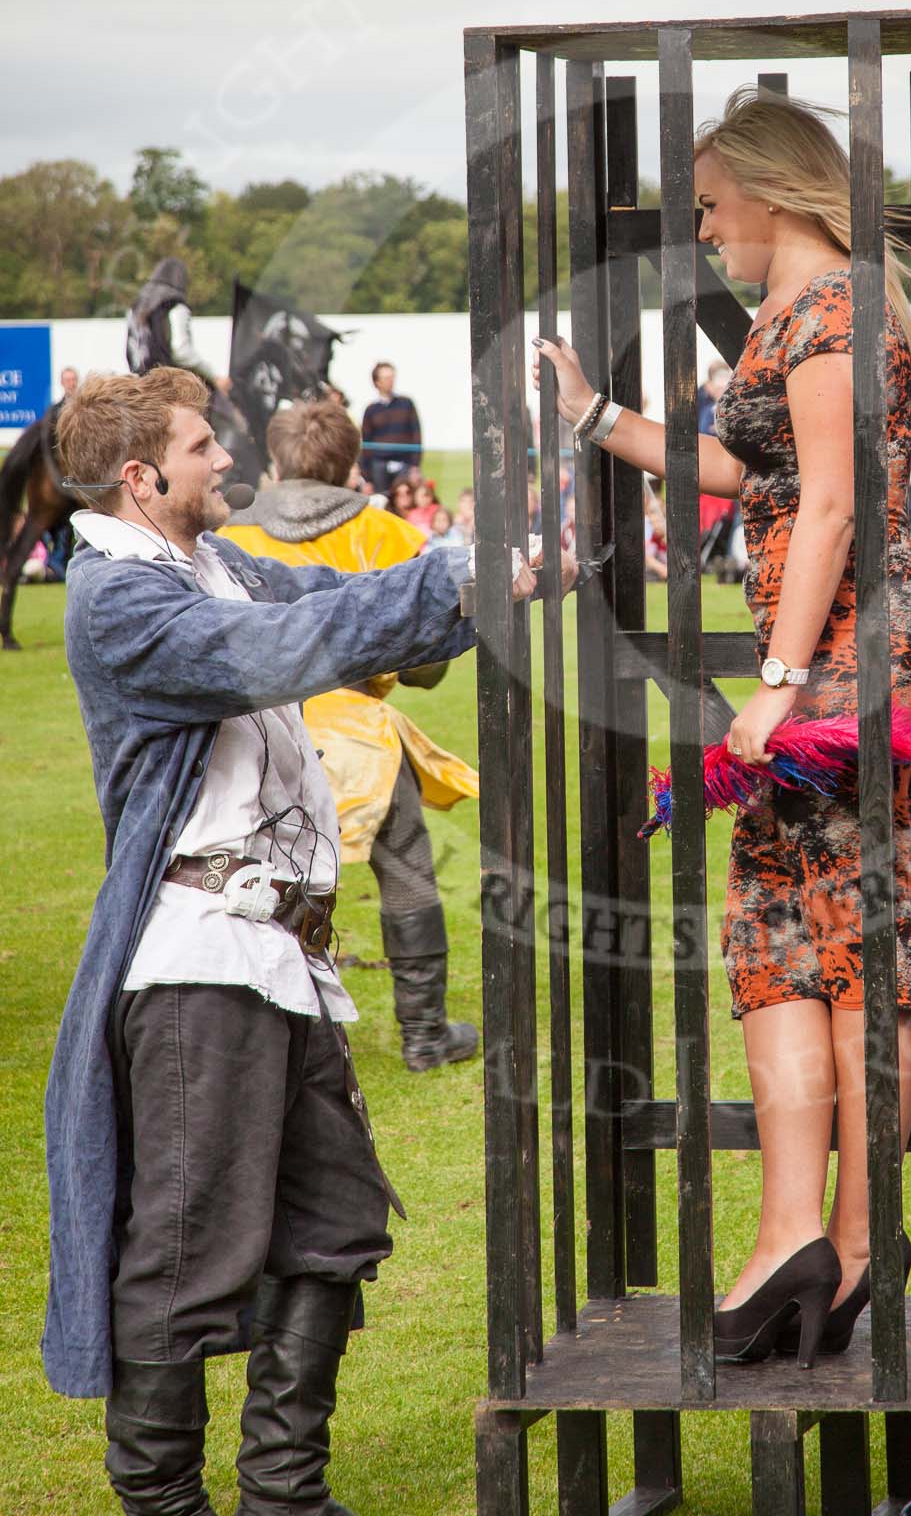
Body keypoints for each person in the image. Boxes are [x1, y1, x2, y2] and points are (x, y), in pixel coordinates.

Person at [44, 368, 545, 1514]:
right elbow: (292, 645)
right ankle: (163, 1502)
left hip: (285, 960)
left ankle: (284, 1493)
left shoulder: (212, 563)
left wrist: (495, 573)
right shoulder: (119, 598)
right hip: (201, 964)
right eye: (202, 443)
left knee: (332, 1226)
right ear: (142, 475)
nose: (226, 459)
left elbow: (349, 604)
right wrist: (457, 570)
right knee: (185, 1256)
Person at [533, 85, 911, 1365]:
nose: (707, 228)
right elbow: (756, 469)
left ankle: (860, 1237)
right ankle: (790, 1237)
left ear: (771, 188)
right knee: (775, 939)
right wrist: (601, 421)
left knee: (854, 942)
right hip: (814, 655)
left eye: (715, 204)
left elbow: (829, 506)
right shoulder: (796, 310)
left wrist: (775, 675)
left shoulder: (835, 308)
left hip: (853, 658)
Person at [220, 397, 495, 1071]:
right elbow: (425, 664)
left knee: (263, 877)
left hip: (255, 728)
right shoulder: (389, 533)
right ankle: (425, 1031)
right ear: (351, 461)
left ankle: (283, 1042)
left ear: (276, 458)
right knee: (404, 864)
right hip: (355, 727)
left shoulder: (229, 532)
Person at [124, 257, 231, 394]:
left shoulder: (136, 308)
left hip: (141, 386)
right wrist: (215, 377)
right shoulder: (174, 306)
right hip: (169, 387)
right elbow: (181, 351)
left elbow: (132, 350)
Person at [359, 362, 422, 492]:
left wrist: (415, 466)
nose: (391, 381)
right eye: (386, 378)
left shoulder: (407, 404)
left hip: (404, 464)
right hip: (378, 466)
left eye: (392, 377)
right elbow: (366, 444)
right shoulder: (371, 410)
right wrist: (367, 478)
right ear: (377, 382)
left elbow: (416, 434)